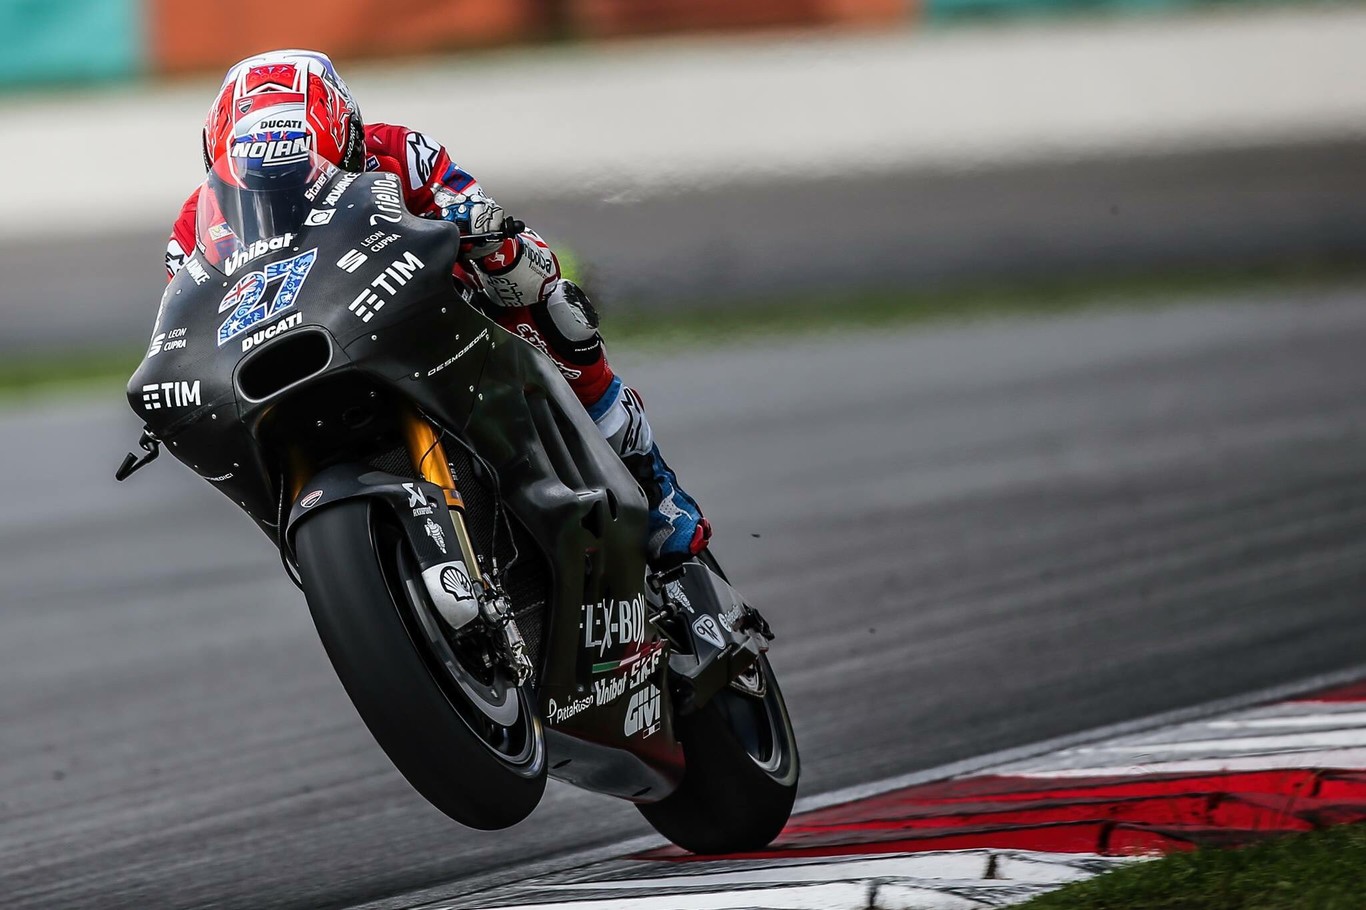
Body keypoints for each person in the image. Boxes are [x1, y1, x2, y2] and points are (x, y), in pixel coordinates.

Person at [165, 49, 710, 569]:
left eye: (301, 169)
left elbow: (474, 210)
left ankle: (649, 479)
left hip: (430, 316)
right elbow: (189, 315)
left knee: (544, 288)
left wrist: (485, 234)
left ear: (346, 141)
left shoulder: (400, 151)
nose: (280, 191)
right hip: (307, 348)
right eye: (260, 181)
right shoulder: (193, 225)